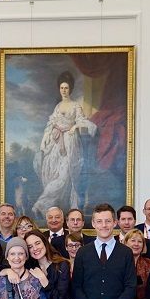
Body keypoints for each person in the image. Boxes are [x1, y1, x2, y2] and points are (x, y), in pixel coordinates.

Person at [31, 71, 97, 219]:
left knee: (64, 176)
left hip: (70, 144)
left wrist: (75, 127)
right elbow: (50, 124)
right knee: (53, 176)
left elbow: (83, 121)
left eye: (66, 88)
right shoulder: (58, 106)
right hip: (55, 145)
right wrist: (43, 141)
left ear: (70, 89)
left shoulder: (75, 106)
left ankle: (40, 205)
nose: (64, 90)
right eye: (62, 88)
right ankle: (52, 210)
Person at [24, 230, 72, 299]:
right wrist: (8, 271)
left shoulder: (62, 265)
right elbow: (1, 267)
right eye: (30, 246)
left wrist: (42, 278)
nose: (35, 248)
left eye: (37, 243)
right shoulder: (28, 267)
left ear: (45, 242)